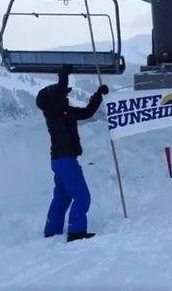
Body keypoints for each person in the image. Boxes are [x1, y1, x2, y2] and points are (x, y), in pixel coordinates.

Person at [36, 64, 109, 242]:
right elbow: (60, 93)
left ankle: (52, 230)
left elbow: (87, 112)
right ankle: (76, 232)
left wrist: (98, 95)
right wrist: (63, 75)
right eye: (63, 95)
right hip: (66, 161)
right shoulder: (53, 113)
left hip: (60, 161)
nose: (67, 96)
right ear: (54, 100)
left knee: (62, 196)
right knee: (82, 196)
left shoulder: (64, 113)